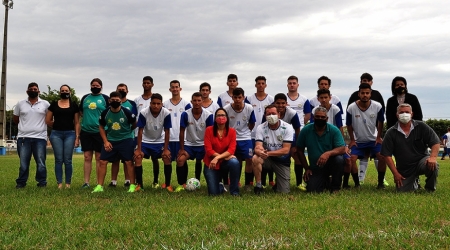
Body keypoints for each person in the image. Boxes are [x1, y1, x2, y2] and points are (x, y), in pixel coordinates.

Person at [381, 103, 439, 192]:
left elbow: (435, 142)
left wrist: (433, 157)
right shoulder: (391, 132)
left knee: (433, 165)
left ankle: (430, 189)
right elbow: (387, 155)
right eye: (401, 112)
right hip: (405, 168)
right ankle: (415, 181)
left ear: (412, 114)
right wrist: (395, 173)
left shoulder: (421, 126)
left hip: (421, 161)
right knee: (402, 191)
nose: (404, 114)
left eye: (407, 112)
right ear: (397, 115)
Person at [92, 92, 137, 193]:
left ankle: (132, 185)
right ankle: (99, 186)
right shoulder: (105, 113)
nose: (115, 102)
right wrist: (105, 141)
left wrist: (128, 133)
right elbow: (101, 127)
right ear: (109, 101)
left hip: (126, 140)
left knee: (129, 162)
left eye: (117, 100)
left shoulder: (127, 112)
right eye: (113, 100)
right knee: (102, 161)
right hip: (111, 140)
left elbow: (134, 124)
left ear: (121, 101)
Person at [347, 73, 386, 184]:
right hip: (358, 141)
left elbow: (381, 122)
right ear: (358, 94)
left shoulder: (377, 106)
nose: (365, 95)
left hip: (373, 140)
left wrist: (378, 137)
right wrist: (352, 140)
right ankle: (357, 184)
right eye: (362, 93)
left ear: (370, 94)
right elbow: (349, 125)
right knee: (351, 159)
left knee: (382, 157)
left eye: (367, 93)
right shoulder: (351, 107)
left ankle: (380, 183)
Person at [296, 107, 346, 193]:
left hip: (331, 165)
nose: (320, 119)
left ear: (327, 119)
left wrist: (328, 153)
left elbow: (342, 149)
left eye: (323, 117)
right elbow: (299, 150)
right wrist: (307, 168)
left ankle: (335, 187)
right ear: (313, 117)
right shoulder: (305, 130)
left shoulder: (334, 130)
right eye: (317, 116)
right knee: (312, 190)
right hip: (316, 167)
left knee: (339, 160)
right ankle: (327, 181)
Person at [14, 82, 50, 188]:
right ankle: (21, 183)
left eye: (35, 89)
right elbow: (16, 119)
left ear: (39, 91)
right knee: (23, 163)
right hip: (23, 138)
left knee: (41, 162)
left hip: (40, 138)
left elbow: (49, 119)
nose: (33, 90)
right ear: (27, 91)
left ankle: (42, 182)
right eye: (31, 89)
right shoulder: (20, 103)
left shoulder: (45, 104)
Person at [261, 93, 301, 187]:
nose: (280, 105)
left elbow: (297, 129)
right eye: (278, 103)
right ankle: (262, 183)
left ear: (286, 103)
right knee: (264, 155)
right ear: (274, 103)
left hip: (287, 137)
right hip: (272, 136)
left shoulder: (292, 113)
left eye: (283, 103)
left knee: (296, 156)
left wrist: (296, 145)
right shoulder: (269, 113)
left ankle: (299, 183)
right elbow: (263, 127)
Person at [253, 105, 294, 194]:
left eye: (273, 113)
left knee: (284, 192)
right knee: (255, 158)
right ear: (265, 116)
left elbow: (286, 150)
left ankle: (278, 184)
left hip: (281, 161)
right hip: (266, 159)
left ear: (279, 115)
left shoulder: (287, 127)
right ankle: (259, 186)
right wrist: (260, 151)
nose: (271, 116)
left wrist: (268, 153)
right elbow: (257, 147)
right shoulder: (261, 127)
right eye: (268, 114)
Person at [176, 92, 214, 191]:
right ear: (191, 101)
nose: (197, 103)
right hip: (189, 144)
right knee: (180, 160)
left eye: (199, 100)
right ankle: (181, 184)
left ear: (202, 101)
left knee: (208, 161)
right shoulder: (185, 114)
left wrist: (209, 149)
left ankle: (208, 183)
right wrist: (181, 149)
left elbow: (210, 133)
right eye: (195, 100)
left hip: (203, 144)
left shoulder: (208, 115)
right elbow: (181, 132)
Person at [134, 93, 172, 190]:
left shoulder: (166, 113)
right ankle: (140, 185)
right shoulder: (143, 112)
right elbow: (140, 131)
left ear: (161, 104)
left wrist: (166, 149)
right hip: (145, 141)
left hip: (160, 140)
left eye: (158, 104)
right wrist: (138, 148)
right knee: (138, 157)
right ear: (150, 103)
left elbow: (167, 131)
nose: (156, 106)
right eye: (154, 103)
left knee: (166, 157)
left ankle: (167, 185)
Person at [46, 84, 80, 189]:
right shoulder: (54, 104)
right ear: (60, 92)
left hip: (70, 134)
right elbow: (48, 120)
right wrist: (57, 125)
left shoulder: (74, 105)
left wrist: (77, 137)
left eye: (66, 90)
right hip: (56, 134)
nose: (64, 92)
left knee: (68, 160)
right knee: (59, 159)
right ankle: (59, 183)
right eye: (62, 90)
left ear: (70, 92)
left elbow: (77, 123)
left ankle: (68, 184)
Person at [223, 87, 256, 189]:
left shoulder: (249, 108)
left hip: (245, 138)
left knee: (249, 159)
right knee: (233, 160)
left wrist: (245, 132)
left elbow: (252, 123)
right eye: (235, 97)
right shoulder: (226, 109)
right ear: (232, 97)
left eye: (239, 97)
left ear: (243, 97)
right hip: (231, 138)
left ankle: (247, 184)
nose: (237, 99)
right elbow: (224, 124)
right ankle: (231, 183)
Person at [79, 78, 109, 188]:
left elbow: (109, 113)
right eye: (93, 85)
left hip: (99, 132)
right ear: (90, 86)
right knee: (87, 157)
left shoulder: (105, 98)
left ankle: (98, 183)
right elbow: (81, 112)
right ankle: (86, 182)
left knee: (99, 157)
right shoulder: (85, 98)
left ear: (101, 86)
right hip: (86, 131)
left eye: (97, 85)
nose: (95, 87)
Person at [203, 108, 240, 196]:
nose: (221, 117)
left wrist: (217, 157)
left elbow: (231, 150)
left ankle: (234, 192)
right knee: (213, 194)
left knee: (234, 162)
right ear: (215, 118)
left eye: (223, 115)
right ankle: (220, 186)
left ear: (227, 118)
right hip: (211, 163)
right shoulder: (209, 130)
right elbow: (208, 150)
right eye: (218, 115)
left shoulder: (232, 131)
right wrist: (222, 156)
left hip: (224, 162)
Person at [163, 80, 192, 192]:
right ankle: (167, 183)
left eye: (176, 87)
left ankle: (183, 183)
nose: (175, 89)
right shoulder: (165, 104)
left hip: (182, 138)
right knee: (167, 159)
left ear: (180, 89)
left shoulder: (186, 104)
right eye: (172, 87)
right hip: (169, 138)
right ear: (170, 89)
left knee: (181, 160)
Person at [133, 76, 161, 189]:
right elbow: (134, 117)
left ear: (152, 85)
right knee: (137, 156)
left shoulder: (156, 100)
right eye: (144, 83)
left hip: (154, 134)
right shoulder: (137, 100)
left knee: (155, 158)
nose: (146, 85)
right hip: (139, 133)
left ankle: (155, 181)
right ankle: (138, 183)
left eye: (148, 83)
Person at [109, 83, 137, 187]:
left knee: (127, 160)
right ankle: (113, 181)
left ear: (127, 91)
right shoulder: (112, 103)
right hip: (114, 136)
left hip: (127, 136)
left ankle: (128, 180)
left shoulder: (131, 104)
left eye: (123, 89)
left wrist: (128, 130)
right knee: (115, 160)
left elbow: (134, 119)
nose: (121, 91)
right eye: (119, 89)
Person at [286, 75, 311, 190]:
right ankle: (279, 181)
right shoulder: (283, 99)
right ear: (287, 85)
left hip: (298, 131)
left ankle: (298, 183)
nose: (292, 85)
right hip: (284, 131)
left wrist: (299, 124)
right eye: (290, 83)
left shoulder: (304, 99)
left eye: (294, 83)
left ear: (297, 85)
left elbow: (307, 115)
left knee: (297, 155)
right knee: (283, 155)